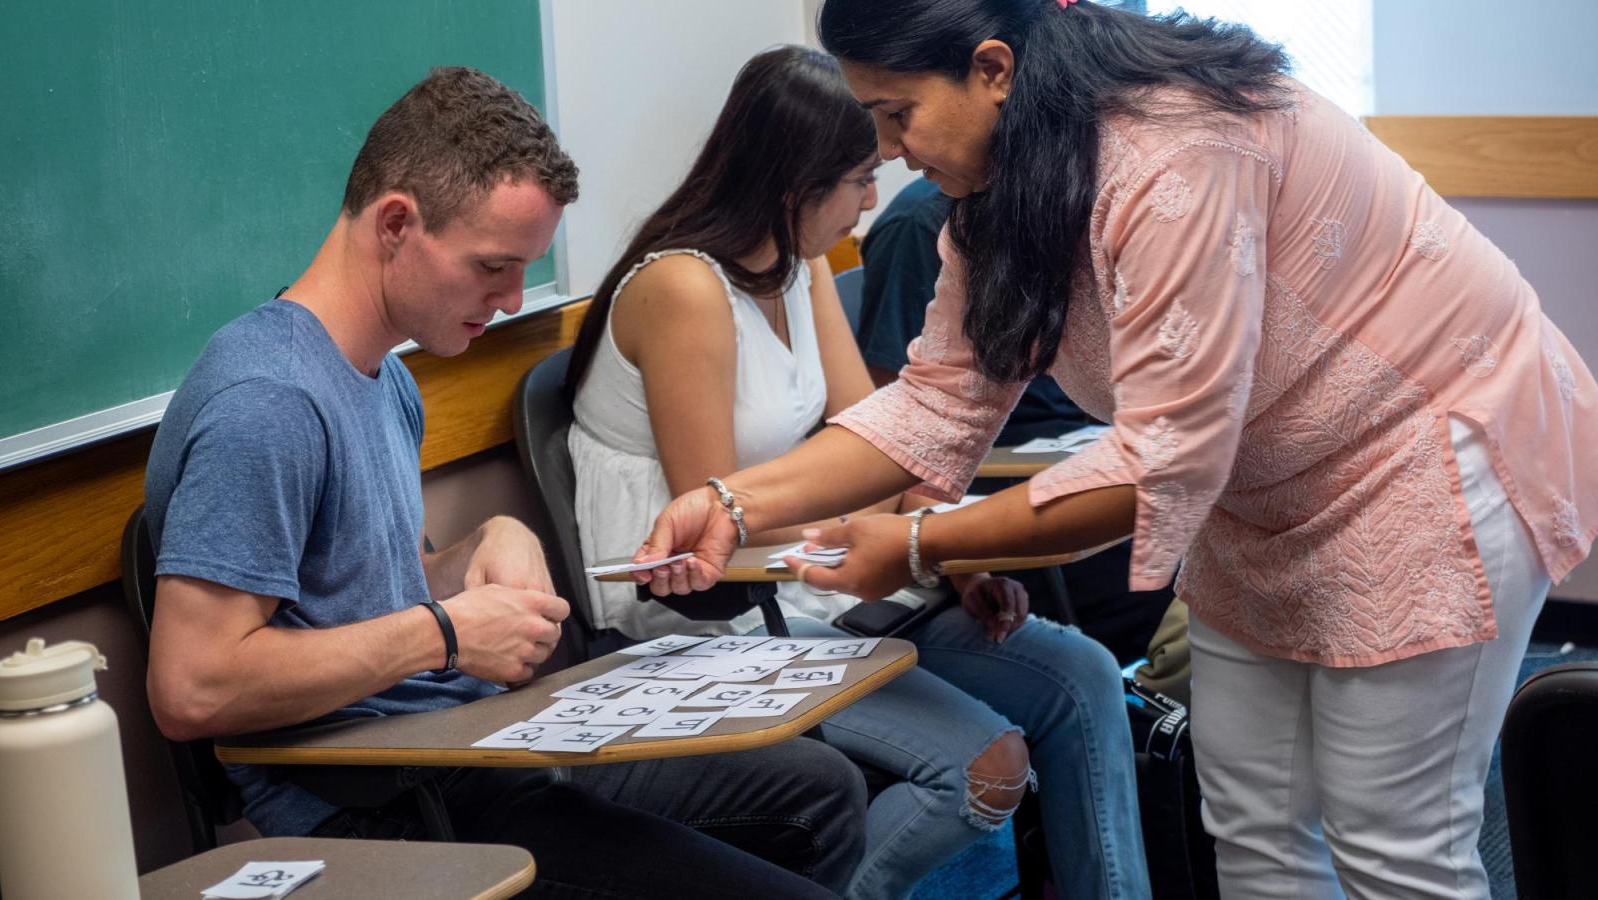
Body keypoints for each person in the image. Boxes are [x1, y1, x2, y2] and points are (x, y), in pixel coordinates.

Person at [632, 2, 1598, 899]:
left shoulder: (1177, 151)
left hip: (1420, 456)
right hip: (1256, 495)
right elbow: (936, 404)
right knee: (1254, 826)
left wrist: (928, 546)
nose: (887, 151)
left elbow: (1159, 463)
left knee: (1393, 841)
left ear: (993, 69)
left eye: (897, 113)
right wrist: (734, 500)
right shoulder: (998, 189)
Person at [141, 66, 864, 899]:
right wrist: (445, 634)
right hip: (377, 806)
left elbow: (368, 592)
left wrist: (490, 542)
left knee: (819, 791)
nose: (514, 297)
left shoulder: (381, 376)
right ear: (397, 224)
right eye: (492, 266)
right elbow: (192, 688)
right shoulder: (267, 402)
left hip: (461, 745)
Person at [565, 46, 1148, 900]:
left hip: (811, 585)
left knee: (1081, 675)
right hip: (706, 621)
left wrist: (945, 552)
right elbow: (721, 524)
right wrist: (915, 542)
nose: (873, 200)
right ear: (793, 185)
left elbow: (879, 436)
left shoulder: (798, 266)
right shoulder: (683, 290)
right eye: (858, 179)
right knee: (985, 767)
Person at [860, 173, 1173, 663]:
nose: (892, 153)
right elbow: (902, 423)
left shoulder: (1076, 197)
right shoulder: (922, 223)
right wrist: (948, 553)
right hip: (999, 479)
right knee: (1163, 568)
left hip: (1086, 451)